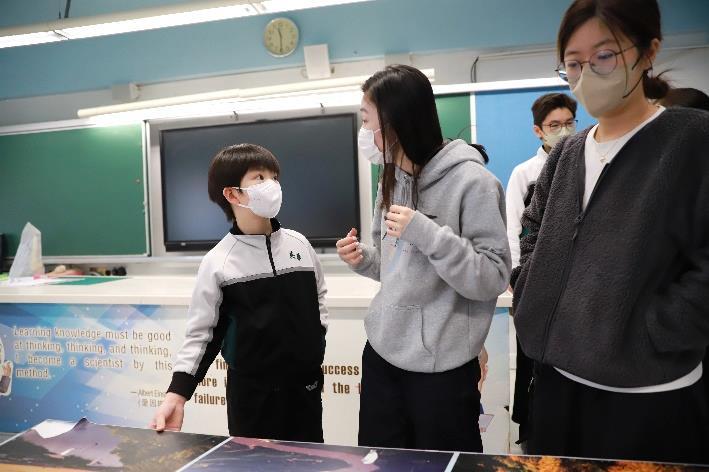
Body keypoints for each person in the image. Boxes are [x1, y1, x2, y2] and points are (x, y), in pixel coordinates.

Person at [512, 0, 709, 463]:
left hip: (649, 394)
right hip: (558, 384)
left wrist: (652, 330)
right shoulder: (567, 154)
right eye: (573, 63)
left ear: (648, 51)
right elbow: (532, 229)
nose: (587, 74)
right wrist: (529, 290)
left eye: (604, 56)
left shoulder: (692, 140)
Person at [336, 65, 510, 453]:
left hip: (443, 369)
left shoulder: (473, 182)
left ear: (396, 122)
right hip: (383, 356)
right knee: (380, 460)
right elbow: (393, 268)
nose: (363, 132)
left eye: (366, 119)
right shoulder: (390, 178)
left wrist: (427, 233)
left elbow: (493, 277)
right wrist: (362, 259)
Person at [151, 144, 328, 442]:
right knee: (254, 462)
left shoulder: (300, 244)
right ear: (232, 194)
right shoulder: (218, 262)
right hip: (252, 398)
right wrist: (177, 394)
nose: (272, 185)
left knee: (310, 459)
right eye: (259, 177)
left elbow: (319, 296)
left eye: (274, 177)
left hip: (306, 389)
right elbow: (202, 334)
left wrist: (315, 343)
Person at [505, 93, 577, 447]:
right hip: (535, 285)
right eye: (554, 125)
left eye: (569, 123)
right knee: (532, 365)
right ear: (538, 130)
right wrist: (518, 280)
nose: (563, 130)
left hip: (576, 289)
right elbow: (511, 230)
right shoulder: (525, 173)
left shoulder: (585, 164)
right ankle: (532, 435)